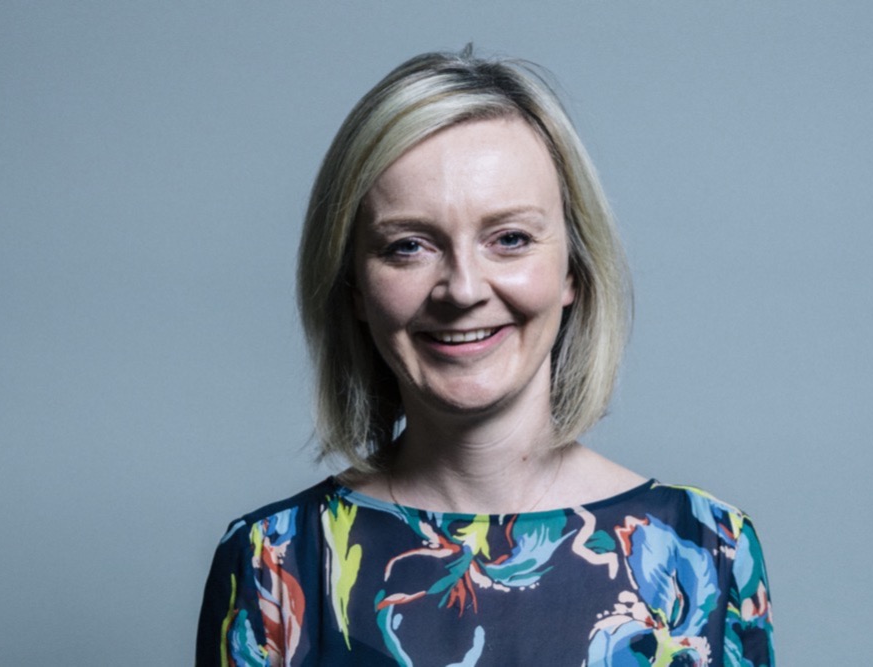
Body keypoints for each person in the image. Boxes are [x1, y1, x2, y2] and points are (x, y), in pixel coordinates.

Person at [196, 47, 774, 666]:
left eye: (510, 239)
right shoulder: (273, 561)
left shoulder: (709, 545)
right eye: (409, 246)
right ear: (354, 288)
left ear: (572, 270)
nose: (464, 289)